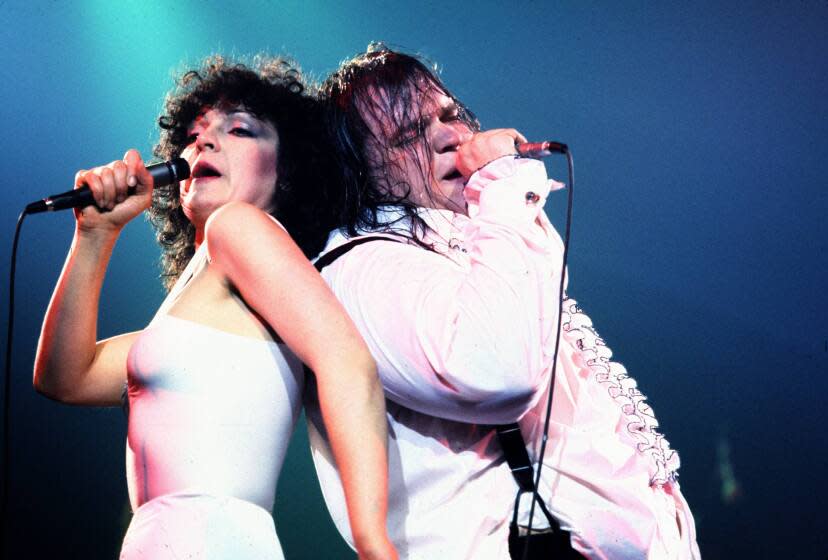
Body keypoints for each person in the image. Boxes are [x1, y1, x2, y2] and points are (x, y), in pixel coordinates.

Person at [304, 44, 701, 559]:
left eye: (449, 115)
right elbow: (495, 370)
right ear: (361, 170)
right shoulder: (362, 267)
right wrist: (502, 186)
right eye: (410, 134)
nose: (450, 136)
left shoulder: (470, 243)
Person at [33, 55, 396, 560]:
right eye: (194, 132)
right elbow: (64, 377)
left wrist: (373, 542)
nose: (201, 141)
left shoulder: (239, 225)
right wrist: (95, 234)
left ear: (288, 169)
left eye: (240, 130)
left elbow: (349, 363)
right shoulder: (196, 300)